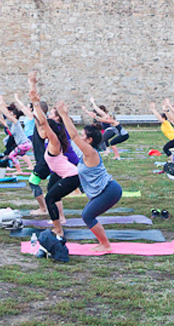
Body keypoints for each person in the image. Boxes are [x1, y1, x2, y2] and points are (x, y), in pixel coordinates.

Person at [56, 101, 122, 252]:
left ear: (89, 140)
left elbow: (73, 134)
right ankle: (103, 243)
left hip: (110, 190)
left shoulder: (91, 153)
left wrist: (64, 115)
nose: (80, 136)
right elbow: (70, 137)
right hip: (105, 190)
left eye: (83, 135)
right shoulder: (85, 153)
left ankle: (106, 245)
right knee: (88, 215)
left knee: (87, 215)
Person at [28, 72, 78, 237]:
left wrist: (36, 101)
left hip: (72, 176)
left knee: (50, 198)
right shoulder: (53, 139)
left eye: (44, 129)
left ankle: (58, 229)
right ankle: (60, 220)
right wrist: (32, 87)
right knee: (51, 190)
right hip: (62, 173)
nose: (41, 131)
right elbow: (39, 120)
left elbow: (42, 122)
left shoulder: (54, 142)